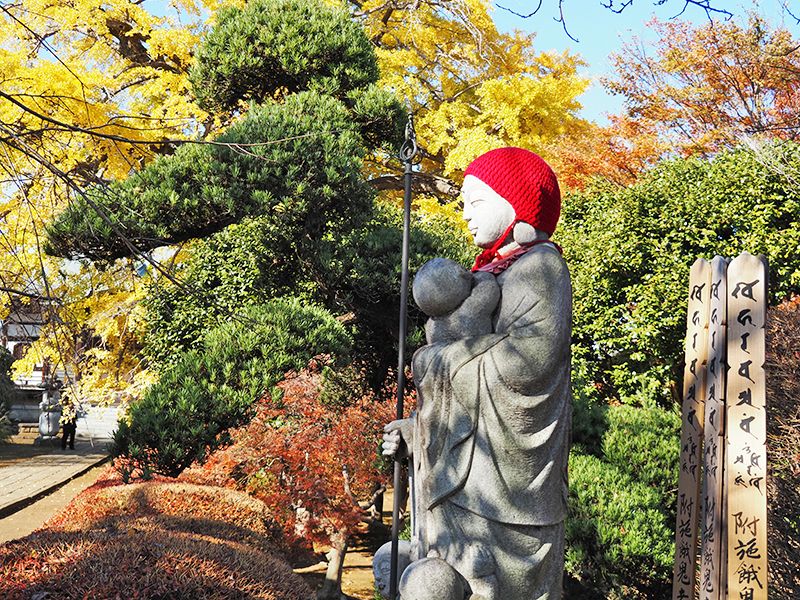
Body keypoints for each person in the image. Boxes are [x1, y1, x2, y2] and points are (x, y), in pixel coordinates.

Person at [383, 147, 572, 600]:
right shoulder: (485, 275)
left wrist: (433, 361)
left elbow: (527, 366)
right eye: (463, 202)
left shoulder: (540, 268)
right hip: (459, 478)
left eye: (476, 201)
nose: (464, 214)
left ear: (515, 202)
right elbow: (464, 368)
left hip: (508, 484)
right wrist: (416, 431)